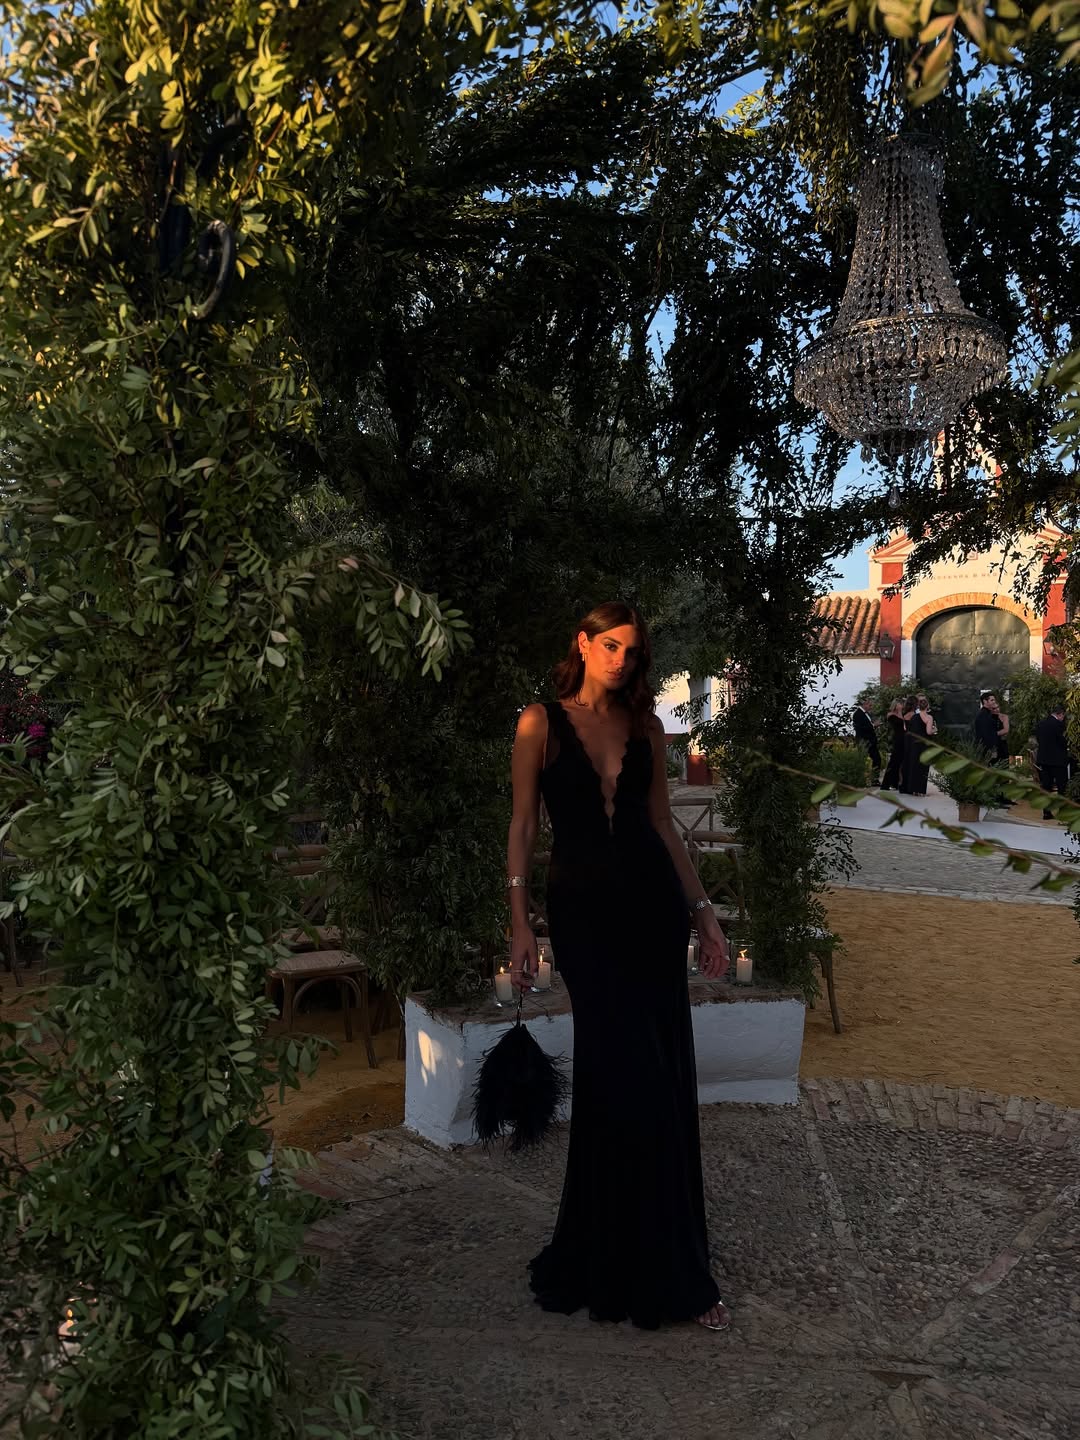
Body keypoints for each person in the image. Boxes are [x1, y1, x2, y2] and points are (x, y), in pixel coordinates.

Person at [507, 601, 731, 1334]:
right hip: (583, 918)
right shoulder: (539, 723)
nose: (621, 660)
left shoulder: (648, 729)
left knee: (658, 1074)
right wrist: (519, 920)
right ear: (583, 643)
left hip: (651, 913)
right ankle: (605, 1253)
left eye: (632, 651)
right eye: (610, 646)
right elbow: (523, 824)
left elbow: (661, 823)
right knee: (618, 1073)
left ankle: (671, 1266)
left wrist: (703, 913)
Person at [1034, 704, 1070, 820]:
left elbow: (1039, 740)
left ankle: (1046, 812)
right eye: (1063, 716)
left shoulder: (1040, 724)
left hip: (1044, 760)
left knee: (1046, 787)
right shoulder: (1059, 725)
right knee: (1062, 787)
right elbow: (1063, 741)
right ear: (1060, 714)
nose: (1063, 718)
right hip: (1058, 760)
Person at [902, 693, 937, 797]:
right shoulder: (929, 717)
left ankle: (913, 789)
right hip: (924, 744)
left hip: (914, 744)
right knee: (923, 767)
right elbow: (928, 732)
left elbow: (907, 729)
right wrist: (934, 730)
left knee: (914, 766)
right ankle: (921, 790)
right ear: (927, 706)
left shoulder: (914, 716)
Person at [852, 698, 882, 785]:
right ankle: (861, 779)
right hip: (864, 741)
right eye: (870, 705)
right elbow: (860, 728)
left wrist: (874, 726)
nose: (871, 707)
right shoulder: (857, 714)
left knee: (877, 759)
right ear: (864, 704)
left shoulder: (866, 714)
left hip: (870, 741)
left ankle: (874, 779)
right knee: (863, 760)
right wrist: (873, 725)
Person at [881, 699, 906, 790]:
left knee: (899, 761)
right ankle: (885, 784)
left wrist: (900, 712)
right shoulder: (891, 715)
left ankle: (895, 783)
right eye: (900, 704)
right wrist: (899, 712)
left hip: (903, 739)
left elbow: (904, 725)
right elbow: (898, 723)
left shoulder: (901, 714)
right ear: (895, 705)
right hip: (897, 739)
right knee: (893, 761)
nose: (902, 706)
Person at [973, 692, 1002, 761]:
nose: (994, 702)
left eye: (994, 700)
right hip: (987, 749)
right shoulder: (983, 715)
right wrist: (992, 750)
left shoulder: (989, 714)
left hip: (990, 748)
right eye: (992, 700)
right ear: (985, 701)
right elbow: (986, 734)